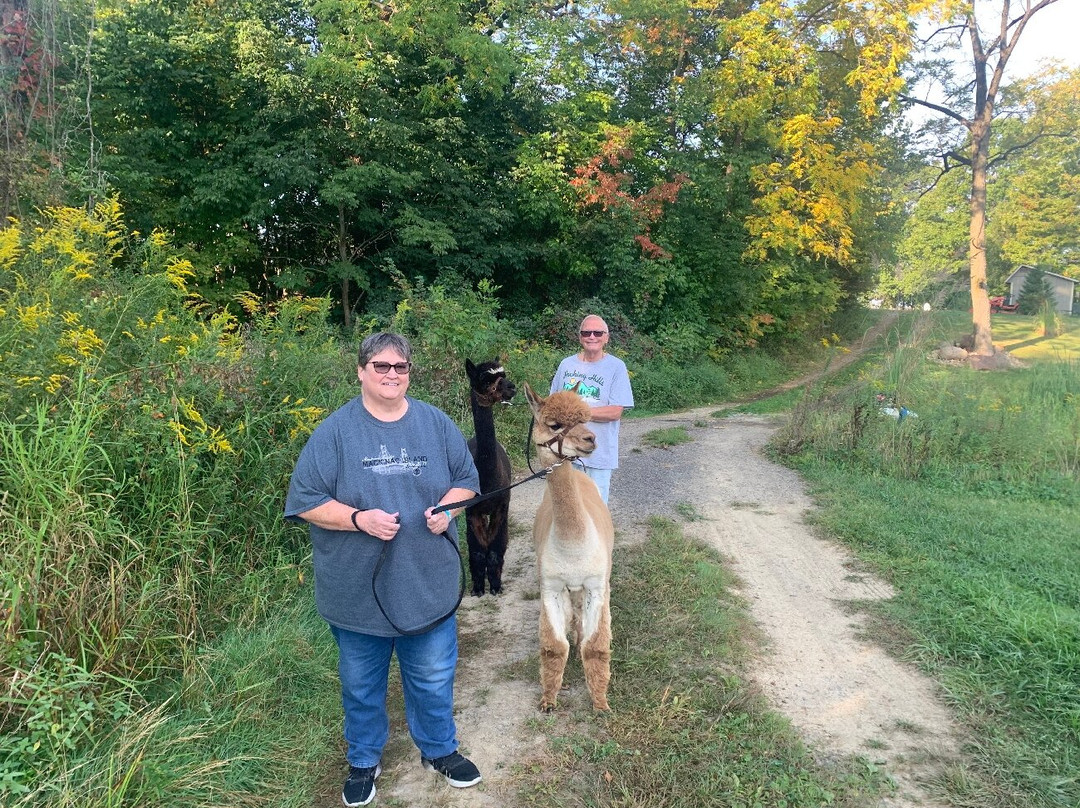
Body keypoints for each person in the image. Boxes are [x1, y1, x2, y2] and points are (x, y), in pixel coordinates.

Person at [284, 332, 481, 807]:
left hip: (426, 583)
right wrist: (357, 519)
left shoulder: (436, 424)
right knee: (361, 684)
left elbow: (466, 482)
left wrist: (448, 511)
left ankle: (439, 750)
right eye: (381, 366)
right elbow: (305, 502)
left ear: (409, 372)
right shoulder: (333, 433)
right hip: (357, 592)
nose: (392, 374)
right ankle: (364, 760)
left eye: (401, 367)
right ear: (361, 371)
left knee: (433, 676)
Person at [549, 314, 634, 504]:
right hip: (566, 452)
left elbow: (615, 412)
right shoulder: (566, 364)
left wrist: (580, 413)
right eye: (586, 332)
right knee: (567, 508)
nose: (592, 336)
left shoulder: (616, 367)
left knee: (595, 509)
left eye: (598, 332)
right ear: (580, 337)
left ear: (606, 337)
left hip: (598, 453)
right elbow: (552, 402)